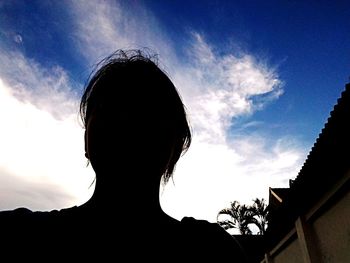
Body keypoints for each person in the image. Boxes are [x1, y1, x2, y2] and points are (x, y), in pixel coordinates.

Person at [0, 49, 248, 261]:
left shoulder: (212, 251)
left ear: (176, 145)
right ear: (87, 140)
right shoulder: (21, 234)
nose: (125, 122)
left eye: (146, 114)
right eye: (110, 110)